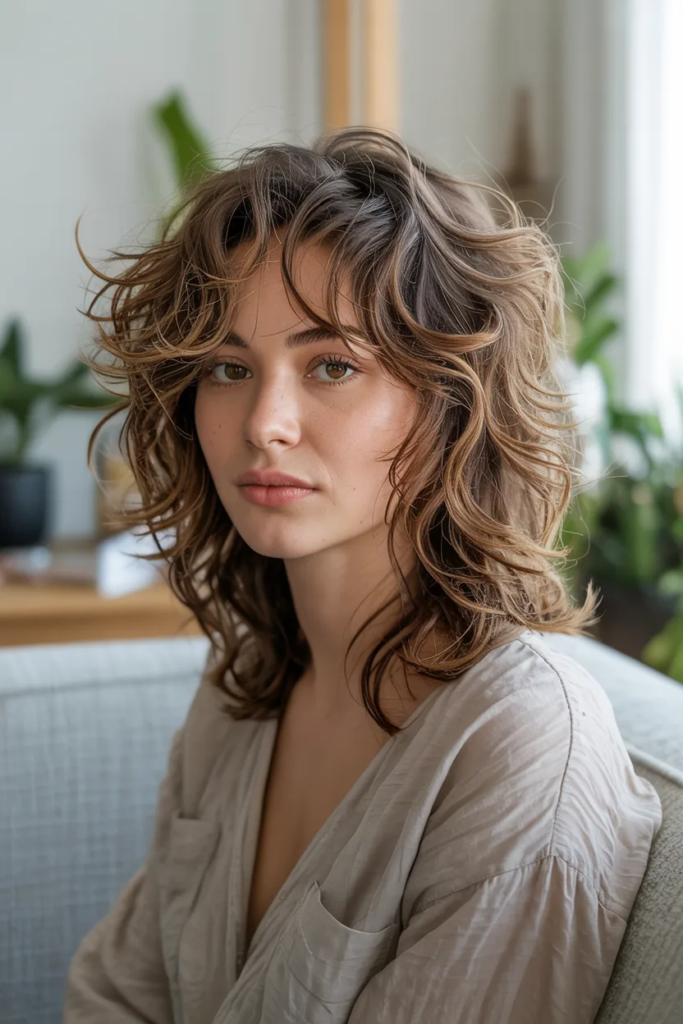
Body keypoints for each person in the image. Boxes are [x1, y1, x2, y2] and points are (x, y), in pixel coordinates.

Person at [64, 126, 661, 1024]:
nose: (264, 421)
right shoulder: (244, 690)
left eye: (331, 366)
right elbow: (115, 995)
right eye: (229, 367)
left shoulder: (518, 743)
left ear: (449, 402)